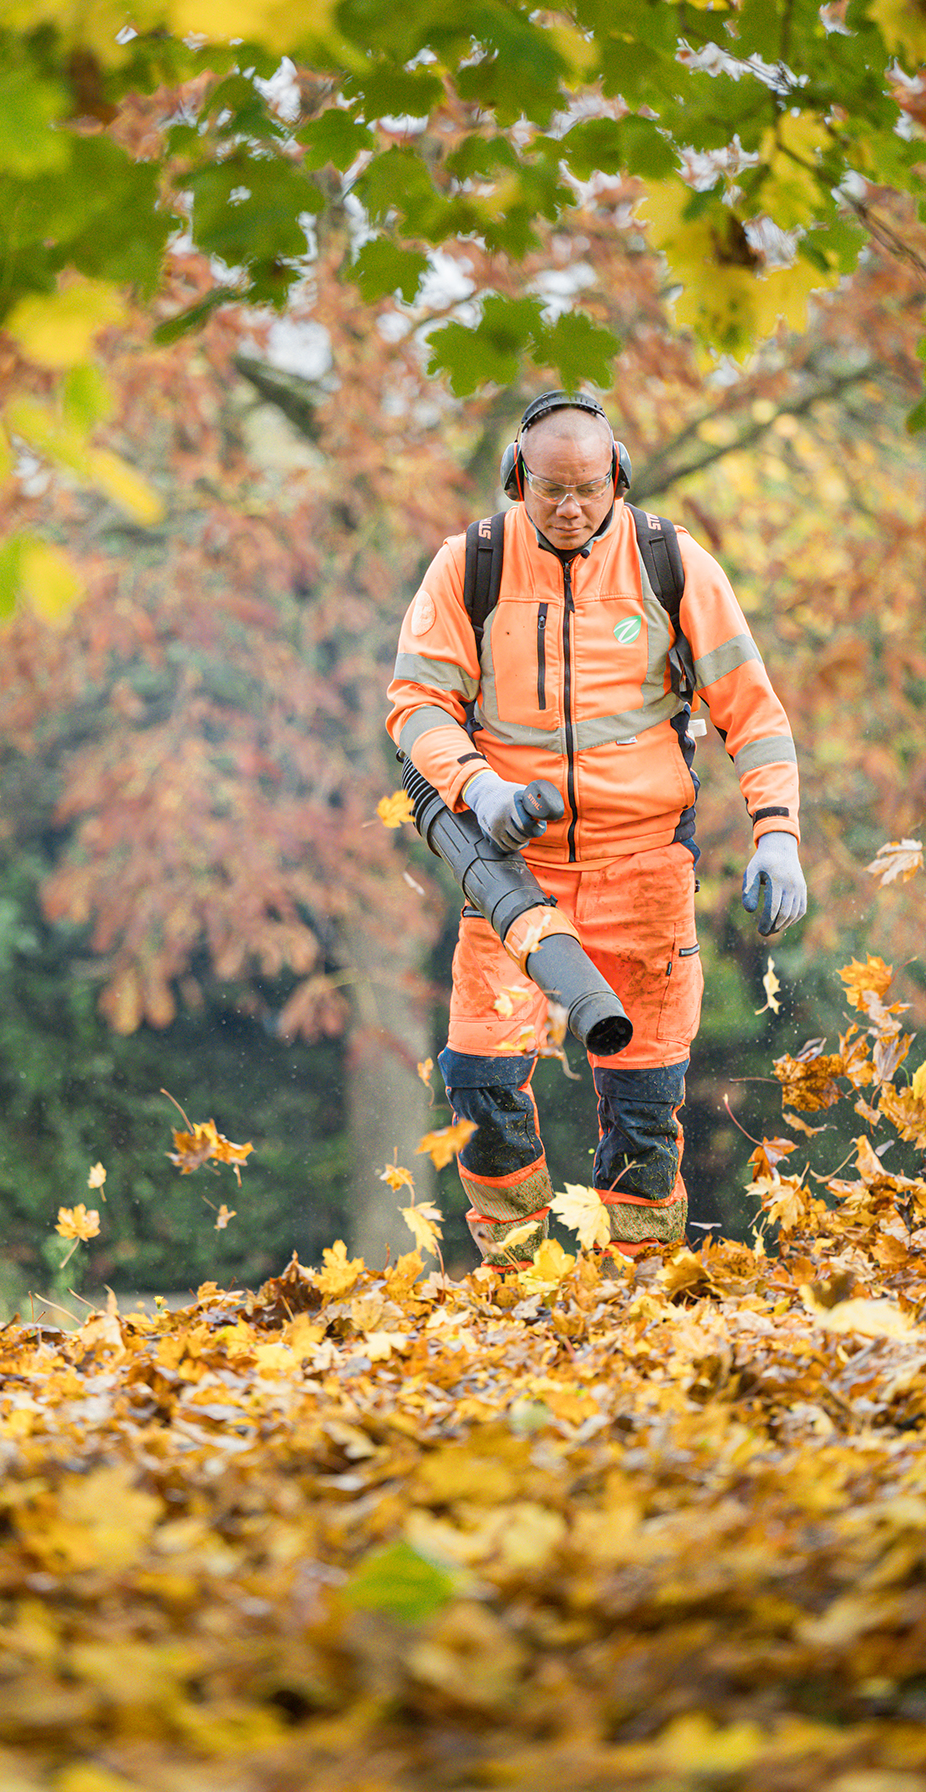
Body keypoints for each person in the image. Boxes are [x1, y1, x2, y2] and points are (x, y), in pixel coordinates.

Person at [386, 390, 805, 1265]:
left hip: (645, 873)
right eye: (551, 490)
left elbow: (752, 711)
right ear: (517, 479)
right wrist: (480, 790)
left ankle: (638, 1285)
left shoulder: (671, 564)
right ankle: (515, 1279)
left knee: (645, 1107)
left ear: (618, 477)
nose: (570, 508)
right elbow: (416, 703)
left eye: (588, 489)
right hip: (512, 875)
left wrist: (777, 831)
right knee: (480, 1084)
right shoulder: (471, 565)